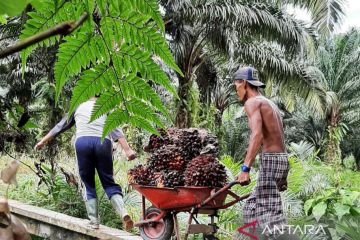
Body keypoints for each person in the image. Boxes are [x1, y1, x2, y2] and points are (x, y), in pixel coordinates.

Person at [34, 96, 136, 231]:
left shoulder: (78, 105)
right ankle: (123, 212)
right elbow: (116, 130)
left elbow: (60, 126)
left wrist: (43, 141)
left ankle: (94, 221)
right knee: (109, 182)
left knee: (88, 183)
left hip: (83, 143)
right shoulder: (105, 106)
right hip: (103, 142)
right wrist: (128, 150)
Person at [234, 67, 294, 240]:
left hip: (271, 160)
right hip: (281, 160)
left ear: (243, 83)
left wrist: (245, 169)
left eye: (236, 86)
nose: (236, 91)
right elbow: (278, 136)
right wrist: (282, 174)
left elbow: (257, 135)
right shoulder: (269, 103)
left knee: (271, 217)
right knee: (251, 208)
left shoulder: (252, 103)